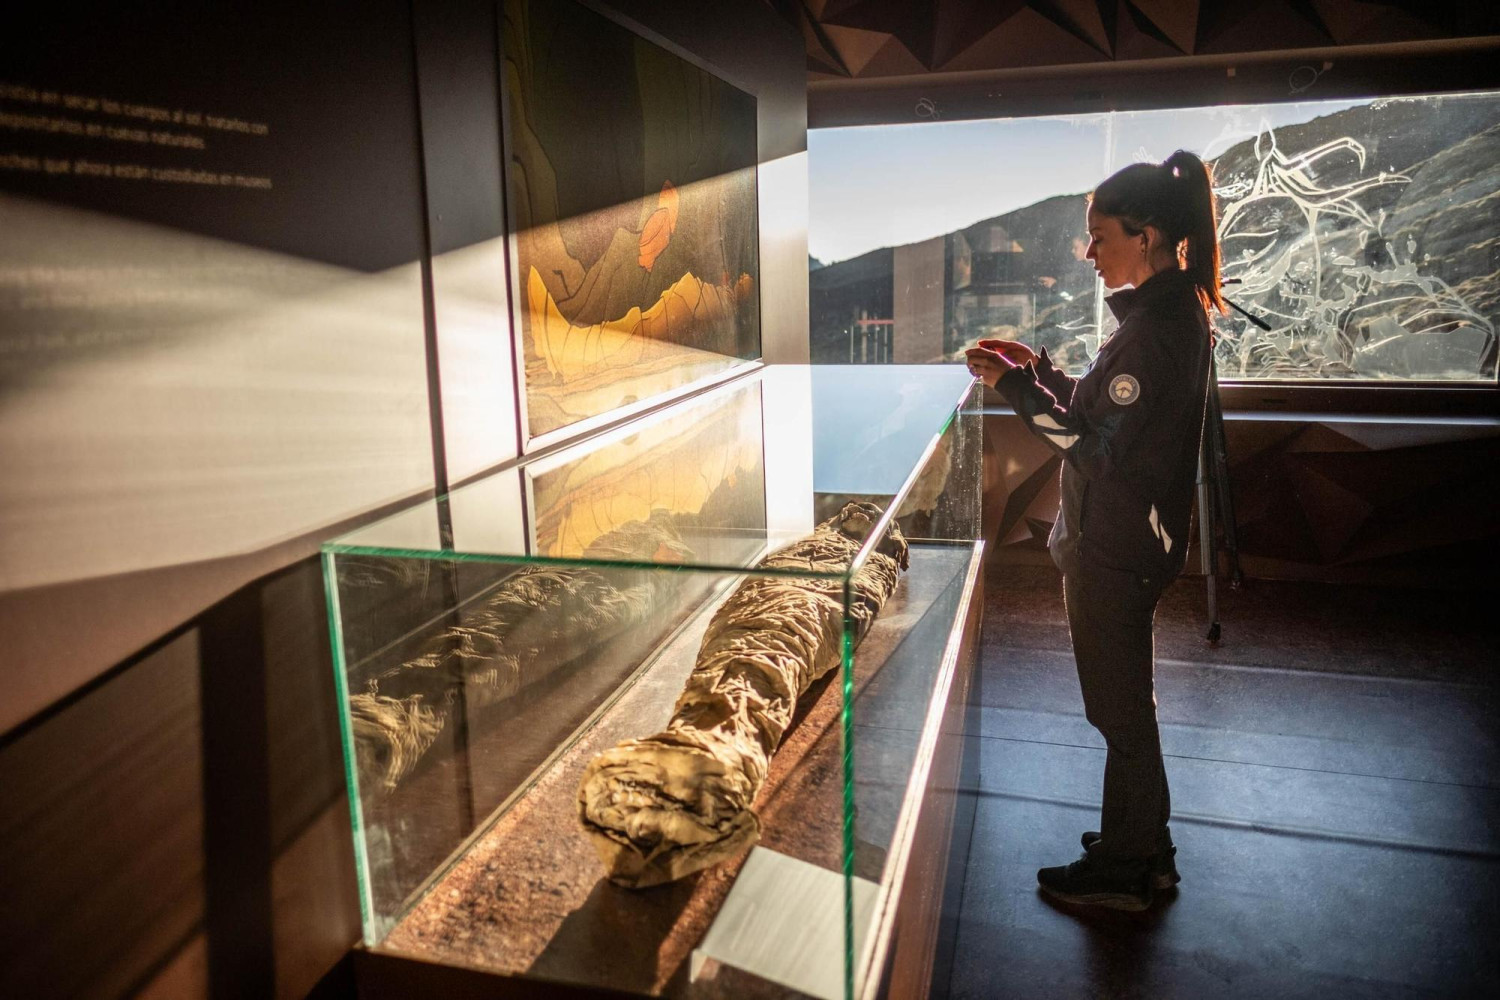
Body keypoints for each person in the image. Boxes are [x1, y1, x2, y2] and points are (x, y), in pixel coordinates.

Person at [965, 149, 1225, 912]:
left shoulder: (1154, 330)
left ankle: (1126, 870)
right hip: (1130, 540)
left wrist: (1008, 385)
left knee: (1117, 711)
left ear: (1144, 236)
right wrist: (1034, 369)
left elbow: (1089, 445)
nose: (1088, 252)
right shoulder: (1164, 314)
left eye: (1099, 234)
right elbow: (1097, 410)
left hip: (1117, 547)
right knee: (1126, 705)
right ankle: (1147, 844)